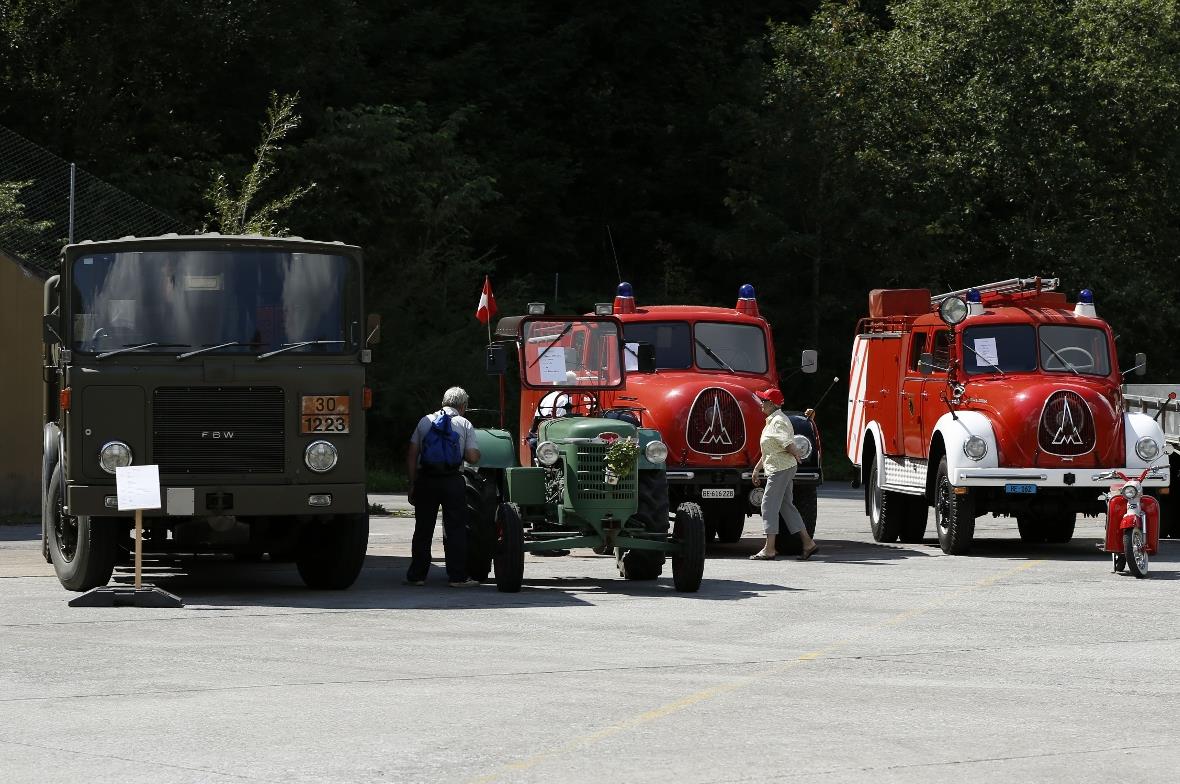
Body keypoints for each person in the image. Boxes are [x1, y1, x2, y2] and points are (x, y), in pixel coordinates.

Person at [405, 387, 482, 587]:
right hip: (452, 481)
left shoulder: (425, 421)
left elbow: (412, 454)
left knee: (423, 528)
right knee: (455, 528)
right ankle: (457, 577)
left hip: (426, 480)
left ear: (443, 402)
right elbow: (472, 456)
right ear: (463, 406)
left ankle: (417, 576)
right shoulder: (464, 423)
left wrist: (412, 483)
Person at [749, 387, 819, 561]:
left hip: (781, 469)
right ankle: (808, 543)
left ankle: (770, 548)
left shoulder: (778, 421)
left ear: (772, 404)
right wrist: (757, 469)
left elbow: (787, 442)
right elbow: (769, 451)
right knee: (786, 506)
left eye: (764, 401)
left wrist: (796, 452)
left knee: (768, 505)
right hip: (780, 466)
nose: (761, 403)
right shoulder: (772, 420)